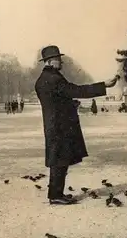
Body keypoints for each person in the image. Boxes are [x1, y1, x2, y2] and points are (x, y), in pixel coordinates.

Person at [35, 45, 119, 205]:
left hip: (54, 124)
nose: (62, 63)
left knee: (59, 159)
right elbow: (76, 90)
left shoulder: (44, 79)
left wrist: (70, 104)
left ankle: (57, 193)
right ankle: (55, 196)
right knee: (59, 160)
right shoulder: (54, 79)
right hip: (60, 125)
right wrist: (104, 85)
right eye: (60, 60)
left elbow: (57, 100)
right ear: (51, 61)